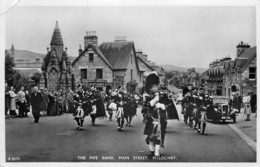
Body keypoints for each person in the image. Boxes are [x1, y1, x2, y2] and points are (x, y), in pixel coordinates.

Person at [143, 71, 167, 156]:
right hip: (151, 118)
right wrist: (155, 100)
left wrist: (162, 105)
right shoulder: (146, 95)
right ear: (150, 87)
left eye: (156, 86)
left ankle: (157, 150)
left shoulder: (161, 94)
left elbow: (165, 104)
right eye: (153, 86)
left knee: (159, 135)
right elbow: (147, 105)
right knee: (151, 135)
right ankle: (149, 141)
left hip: (160, 118)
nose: (155, 88)